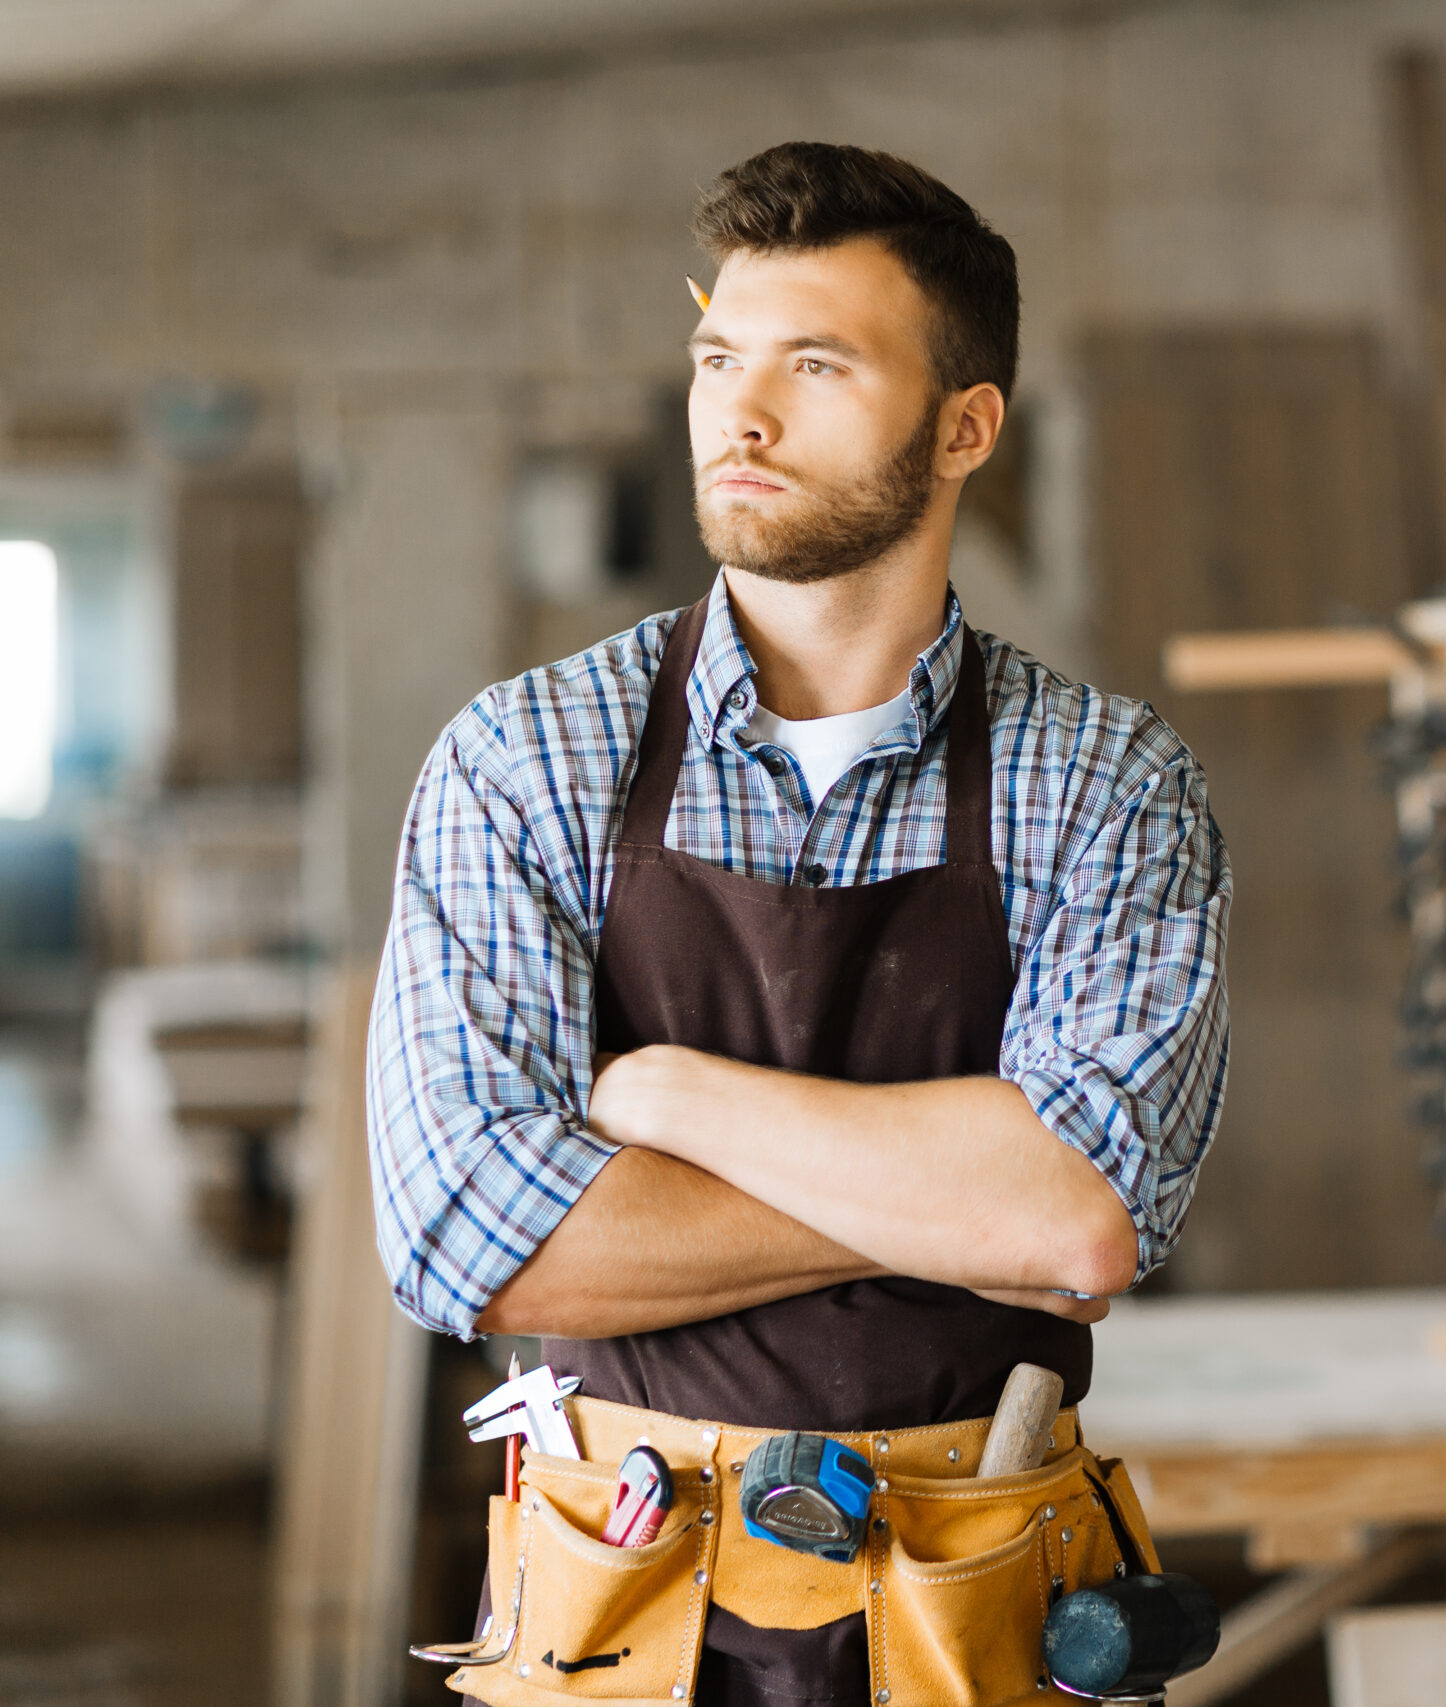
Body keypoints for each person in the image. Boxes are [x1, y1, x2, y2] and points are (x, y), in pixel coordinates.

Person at [368, 141, 1230, 1706]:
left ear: (966, 427)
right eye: (718, 360)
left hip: (973, 1613)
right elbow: (468, 1242)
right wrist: (965, 1204)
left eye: (816, 366)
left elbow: (1081, 1217)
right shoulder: (527, 758)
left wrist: (672, 1100)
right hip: (620, 1605)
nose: (739, 417)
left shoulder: (1102, 780)